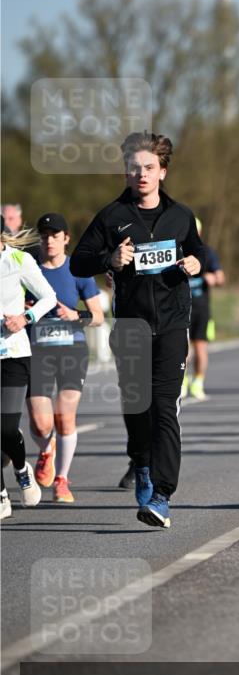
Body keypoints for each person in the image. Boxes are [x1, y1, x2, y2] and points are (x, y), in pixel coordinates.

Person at [70, 131, 205, 529]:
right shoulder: (111, 216)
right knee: (137, 406)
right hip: (130, 326)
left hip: (172, 324)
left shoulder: (180, 216)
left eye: (149, 167)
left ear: (162, 171)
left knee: (165, 407)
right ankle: (141, 463)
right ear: (126, 172)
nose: (141, 174)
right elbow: (78, 262)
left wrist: (195, 264)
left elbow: (198, 251)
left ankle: (162, 495)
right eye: (134, 168)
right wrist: (109, 257)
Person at [26, 213, 104, 503]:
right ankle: (47, 449)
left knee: (64, 416)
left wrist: (76, 315)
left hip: (72, 350)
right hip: (37, 350)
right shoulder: (29, 269)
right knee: (40, 423)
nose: (49, 241)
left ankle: (62, 479)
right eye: (44, 236)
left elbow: (97, 316)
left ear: (66, 239)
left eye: (55, 236)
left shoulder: (78, 271)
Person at [1, 217, 57, 519]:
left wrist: (25, 318)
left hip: (13, 353)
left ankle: (22, 470)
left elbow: (49, 297)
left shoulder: (19, 260)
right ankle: (1, 497)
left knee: (5, 427)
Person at [182, 217, 225, 401]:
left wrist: (212, 278)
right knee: (181, 350)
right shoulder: (176, 253)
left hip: (201, 309)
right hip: (180, 309)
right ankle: (182, 382)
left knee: (200, 349)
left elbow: (221, 278)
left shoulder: (207, 253)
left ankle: (198, 382)